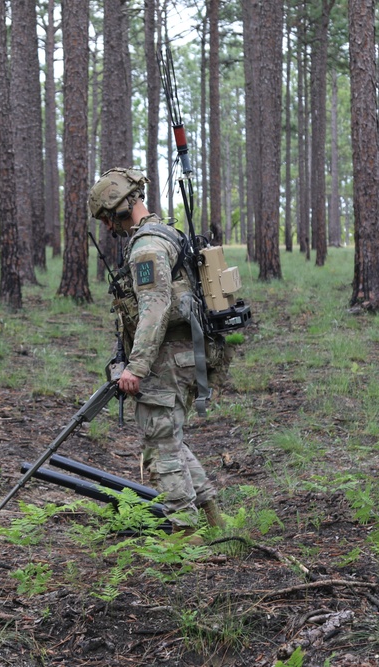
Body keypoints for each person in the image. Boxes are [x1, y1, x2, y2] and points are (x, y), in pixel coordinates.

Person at [88, 167, 227, 529]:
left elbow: (155, 307)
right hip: (182, 355)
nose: (107, 227)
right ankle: (213, 518)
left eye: (106, 217)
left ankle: (185, 533)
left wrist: (136, 367)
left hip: (167, 361)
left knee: (161, 446)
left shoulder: (147, 246)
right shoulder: (166, 233)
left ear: (121, 207)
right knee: (169, 437)